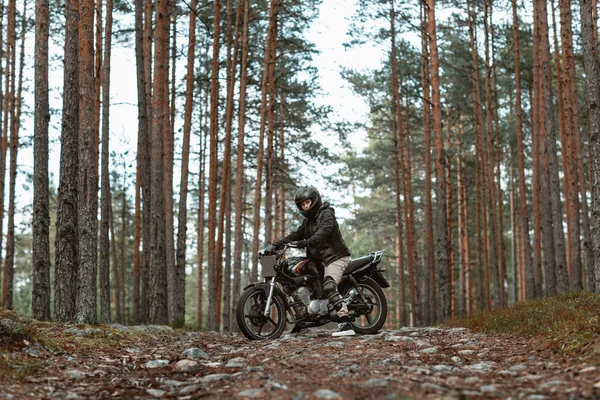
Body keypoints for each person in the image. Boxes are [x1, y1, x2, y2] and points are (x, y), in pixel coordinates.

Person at [270, 185, 355, 337]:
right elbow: (295, 235)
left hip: (335, 257)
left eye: (307, 202)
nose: (305, 206)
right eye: (302, 205)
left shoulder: (327, 214)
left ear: (314, 200)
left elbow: (323, 233)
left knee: (329, 285)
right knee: (299, 282)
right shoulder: (308, 222)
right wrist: (275, 245)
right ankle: (303, 321)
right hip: (319, 260)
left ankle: (345, 320)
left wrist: (306, 242)